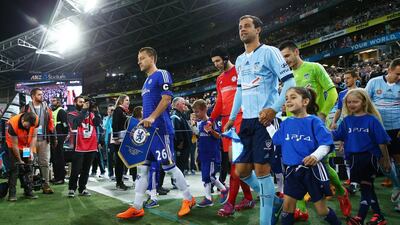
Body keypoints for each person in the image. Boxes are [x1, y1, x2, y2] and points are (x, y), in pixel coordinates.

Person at [225, 15, 295, 225]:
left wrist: (274, 109)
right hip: (246, 121)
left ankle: (266, 221)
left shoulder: (270, 52)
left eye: (247, 26)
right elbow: (239, 91)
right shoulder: (239, 59)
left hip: (266, 120)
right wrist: (231, 118)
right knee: (242, 170)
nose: (242, 29)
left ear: (258, 29)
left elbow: (290, 81)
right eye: (240, 27)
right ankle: (274, 202)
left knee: (263, 170)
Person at [116, 47, 195, 219]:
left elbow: (167, 99)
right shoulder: (145, 83)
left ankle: (188, 198)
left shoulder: (162, 74)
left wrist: (151, 117)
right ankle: (137, 206)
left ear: (152, 58)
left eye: (142, 58)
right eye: (138, 58)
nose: (139, 61)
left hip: (161, 130)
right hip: (148, 133)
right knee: (143, 170)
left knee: (170, 167)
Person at [279, 40, 350, 219]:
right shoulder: (286, 77)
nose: (285, 60)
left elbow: (332, 92)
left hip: (313, 123)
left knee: (322, 164)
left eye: (287, 55)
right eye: (282, 58)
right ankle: (301, 210)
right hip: (293, 126)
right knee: (295, 165)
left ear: (296, 51)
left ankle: (341, 192)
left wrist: (323, 114)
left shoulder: (315, 67)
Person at [272, 87, 341, 225]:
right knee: (287, 209)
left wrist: (315, 156)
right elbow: (275, 140)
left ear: (305, 101)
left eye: (293, 97)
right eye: (286, 98)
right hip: (291, 171)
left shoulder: (314, 121)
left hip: (312, 171)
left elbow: (326, 143)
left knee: (322, 211)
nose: (288, 101)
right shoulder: (285, 123)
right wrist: (268, 122)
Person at [332, 88, 391, 225]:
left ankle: (360, 217)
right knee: (367, 187)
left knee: (366, 186)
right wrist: (319, 130)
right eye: (349, 102)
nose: (351, 104)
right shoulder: (347, 120)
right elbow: (337, 135)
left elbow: (382, 142)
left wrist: (385, 159)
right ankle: (379, 216)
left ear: (364, 102)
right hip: (353, 159)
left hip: (368, 158)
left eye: (355, 102)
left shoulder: (372, 120)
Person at [208, 46, 255, 216]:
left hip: (240, 120)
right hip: (225, 124)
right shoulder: (219, 79)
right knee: (235, 165)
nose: (216, 64)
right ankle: (249, 198)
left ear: (226, 57)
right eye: (214, 62)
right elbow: (219, 102)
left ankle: (230, 203)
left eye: (218, 60)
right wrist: (211, 119)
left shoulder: (240, 71)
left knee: (236, 164)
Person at [365, 58, 400, 212]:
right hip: (378, 128)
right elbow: (365, 101)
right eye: (398, 74)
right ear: (390, 70)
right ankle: (398, 186)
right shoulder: (374, 82)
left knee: (398, 160)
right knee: (383, 161)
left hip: (397, 128)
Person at [193, 99, 229, 207]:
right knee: (205, 177)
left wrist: (211, 131)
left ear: (205, 110)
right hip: (204, 155)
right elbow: (201, 139)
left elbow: (219, 136)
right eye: (195, 112)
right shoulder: (200, 124)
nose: (196, 114)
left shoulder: (211, 122)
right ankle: (208, 198)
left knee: (211, 177)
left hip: (212, 155)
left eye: (198, 111)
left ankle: (223, 189)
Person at [67, 96, 101, 197]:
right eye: (80, 102)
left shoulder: (91, 114)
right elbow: (76, 123)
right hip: (79, 145)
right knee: (76, 169)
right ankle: (72, 188)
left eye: (84, 102)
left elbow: (97, 123)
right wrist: (84, 109)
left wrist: (96, 111)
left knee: (86, 169)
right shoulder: (71, 114)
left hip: (91, 145)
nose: (83, 103)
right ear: (75, 103)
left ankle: (82, 188)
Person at [24, 88, 56, 194]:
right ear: (33, 96)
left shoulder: (47, 108)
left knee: (45, 163)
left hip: (44, 140)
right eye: (39, 94)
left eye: (42, 94)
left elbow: (51, 124)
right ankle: (28, 188)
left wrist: (53, 137)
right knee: (28, 163)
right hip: (28, 142)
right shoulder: (26, 108)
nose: (41, 96)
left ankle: (46, 185)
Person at [6, 112, 39, 201]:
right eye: (27, 126)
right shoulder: (13, 123)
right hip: (13, 145)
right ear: (23, 120)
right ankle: (12, 194)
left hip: (26, 146)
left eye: (30, 126)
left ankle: (28, 191)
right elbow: (14, 145)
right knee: (14, 169)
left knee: (28, 168)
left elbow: (34, 137)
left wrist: (31, 152)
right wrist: (20, 160)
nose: (28, 128)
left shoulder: (35, 120)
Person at [111, 95, 131, 190]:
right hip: (119, 139)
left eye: (129, 100)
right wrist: (115, 138)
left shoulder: (124, 111)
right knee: (119, 161)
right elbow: (114, 124)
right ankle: (119, 182)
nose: (128, 102)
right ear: (121, 101)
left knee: (122, 161)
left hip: (124, 138)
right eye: (126, 100)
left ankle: (120, 181)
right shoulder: (118, 110)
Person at [171, 97, 193, 174]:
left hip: (185, 146)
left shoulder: (181, 114)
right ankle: (177, 182)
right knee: (179, 164)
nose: (185, 105)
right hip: (180, 147)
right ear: (177, 104)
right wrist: (180, 143)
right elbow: (176, 130)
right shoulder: (175, 115)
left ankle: (181, 179)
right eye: (183, 103)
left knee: (182, 164)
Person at [50, 97, 69, 185]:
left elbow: (65, 124)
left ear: (58, 102)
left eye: (54, 101)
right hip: (53, 136)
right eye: (51, 101)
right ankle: (56, 176)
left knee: (59, 157)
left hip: (59, 136)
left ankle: (61, 177)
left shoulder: (61, 111)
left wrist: (64, 135)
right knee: (54, 158)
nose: (52, 102)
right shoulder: (52, 111)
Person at [103, 104, 115, 180]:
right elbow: (105, 126)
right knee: (110, 158)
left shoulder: (117, 118)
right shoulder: (105, 119)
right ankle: (111, 174)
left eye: (113, 110)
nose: (111, 111)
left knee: (118, 158)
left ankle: (121, 173)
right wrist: (110, 116)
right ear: (107, 111)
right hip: (108, 140)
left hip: (117, 139)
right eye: (110, 110)